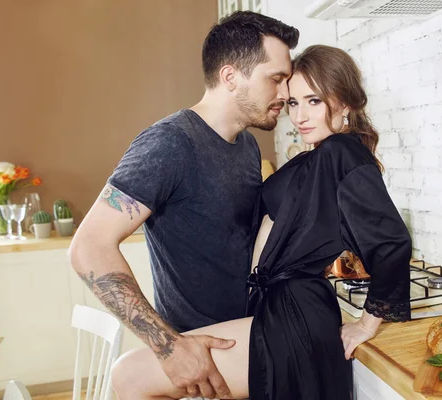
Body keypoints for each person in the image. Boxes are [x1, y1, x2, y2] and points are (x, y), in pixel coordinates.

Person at [110, 44, 413, 400]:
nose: (300, 115)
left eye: (314, 101)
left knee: (129, 374)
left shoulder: (341, 152)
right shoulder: (318, 158)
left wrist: (366, 323)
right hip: (274, 309)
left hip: (294, 316)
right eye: (294, 103)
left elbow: (391, 242)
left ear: (344, 104)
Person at [69, 11, 299, 400]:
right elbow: (88, 247)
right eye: (276, 78)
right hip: (201, 359)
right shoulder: (169, 144)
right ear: (230, 77)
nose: (285, 93)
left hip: (245, 338)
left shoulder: (245, 146)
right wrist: (170, 348)